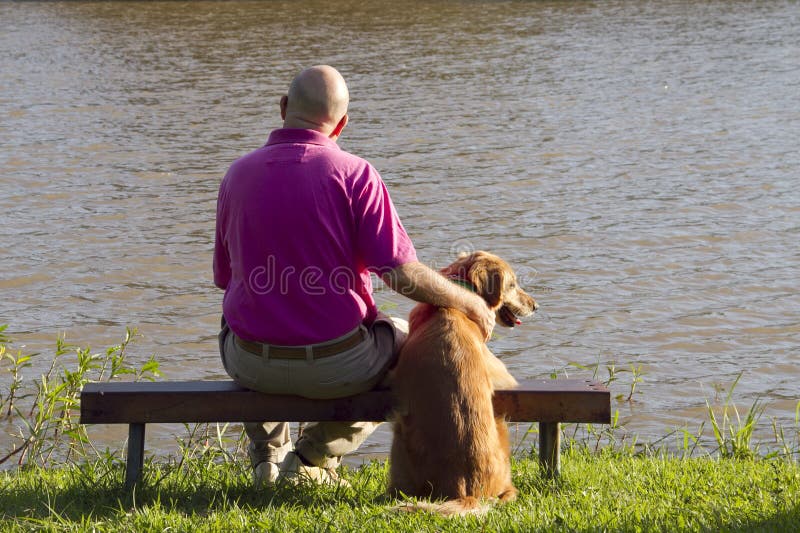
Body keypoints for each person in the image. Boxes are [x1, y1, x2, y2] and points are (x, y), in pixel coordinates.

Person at [213, 65, 495, 486]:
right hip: (339, 365)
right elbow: (400, 275)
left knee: (239, 316)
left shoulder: (236, 175)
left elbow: (224, 277)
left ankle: (268, 458)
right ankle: (312, 458)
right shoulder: (356, 175)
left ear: (284, 107)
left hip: (250, 363)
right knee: (410, 348)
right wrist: (469, 300)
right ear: (341, 124)